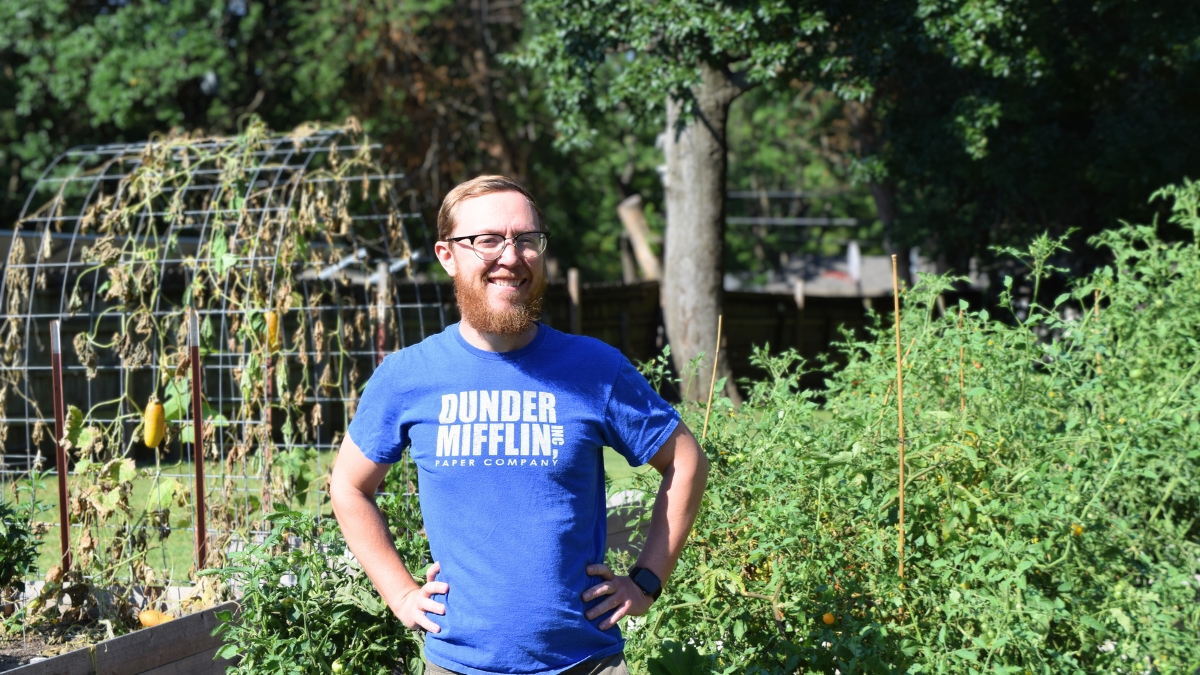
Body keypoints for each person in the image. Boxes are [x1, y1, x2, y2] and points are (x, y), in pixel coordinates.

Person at [330, 175, 708, 675]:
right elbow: (349, 487)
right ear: (447, 255)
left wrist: (645, 581)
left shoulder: (594, 368)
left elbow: (685, 460)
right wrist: (400, 593)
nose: (511, 257)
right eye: (487, 240)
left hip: (586, 662)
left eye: (526, 239)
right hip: (458, 664)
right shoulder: (408, 376)